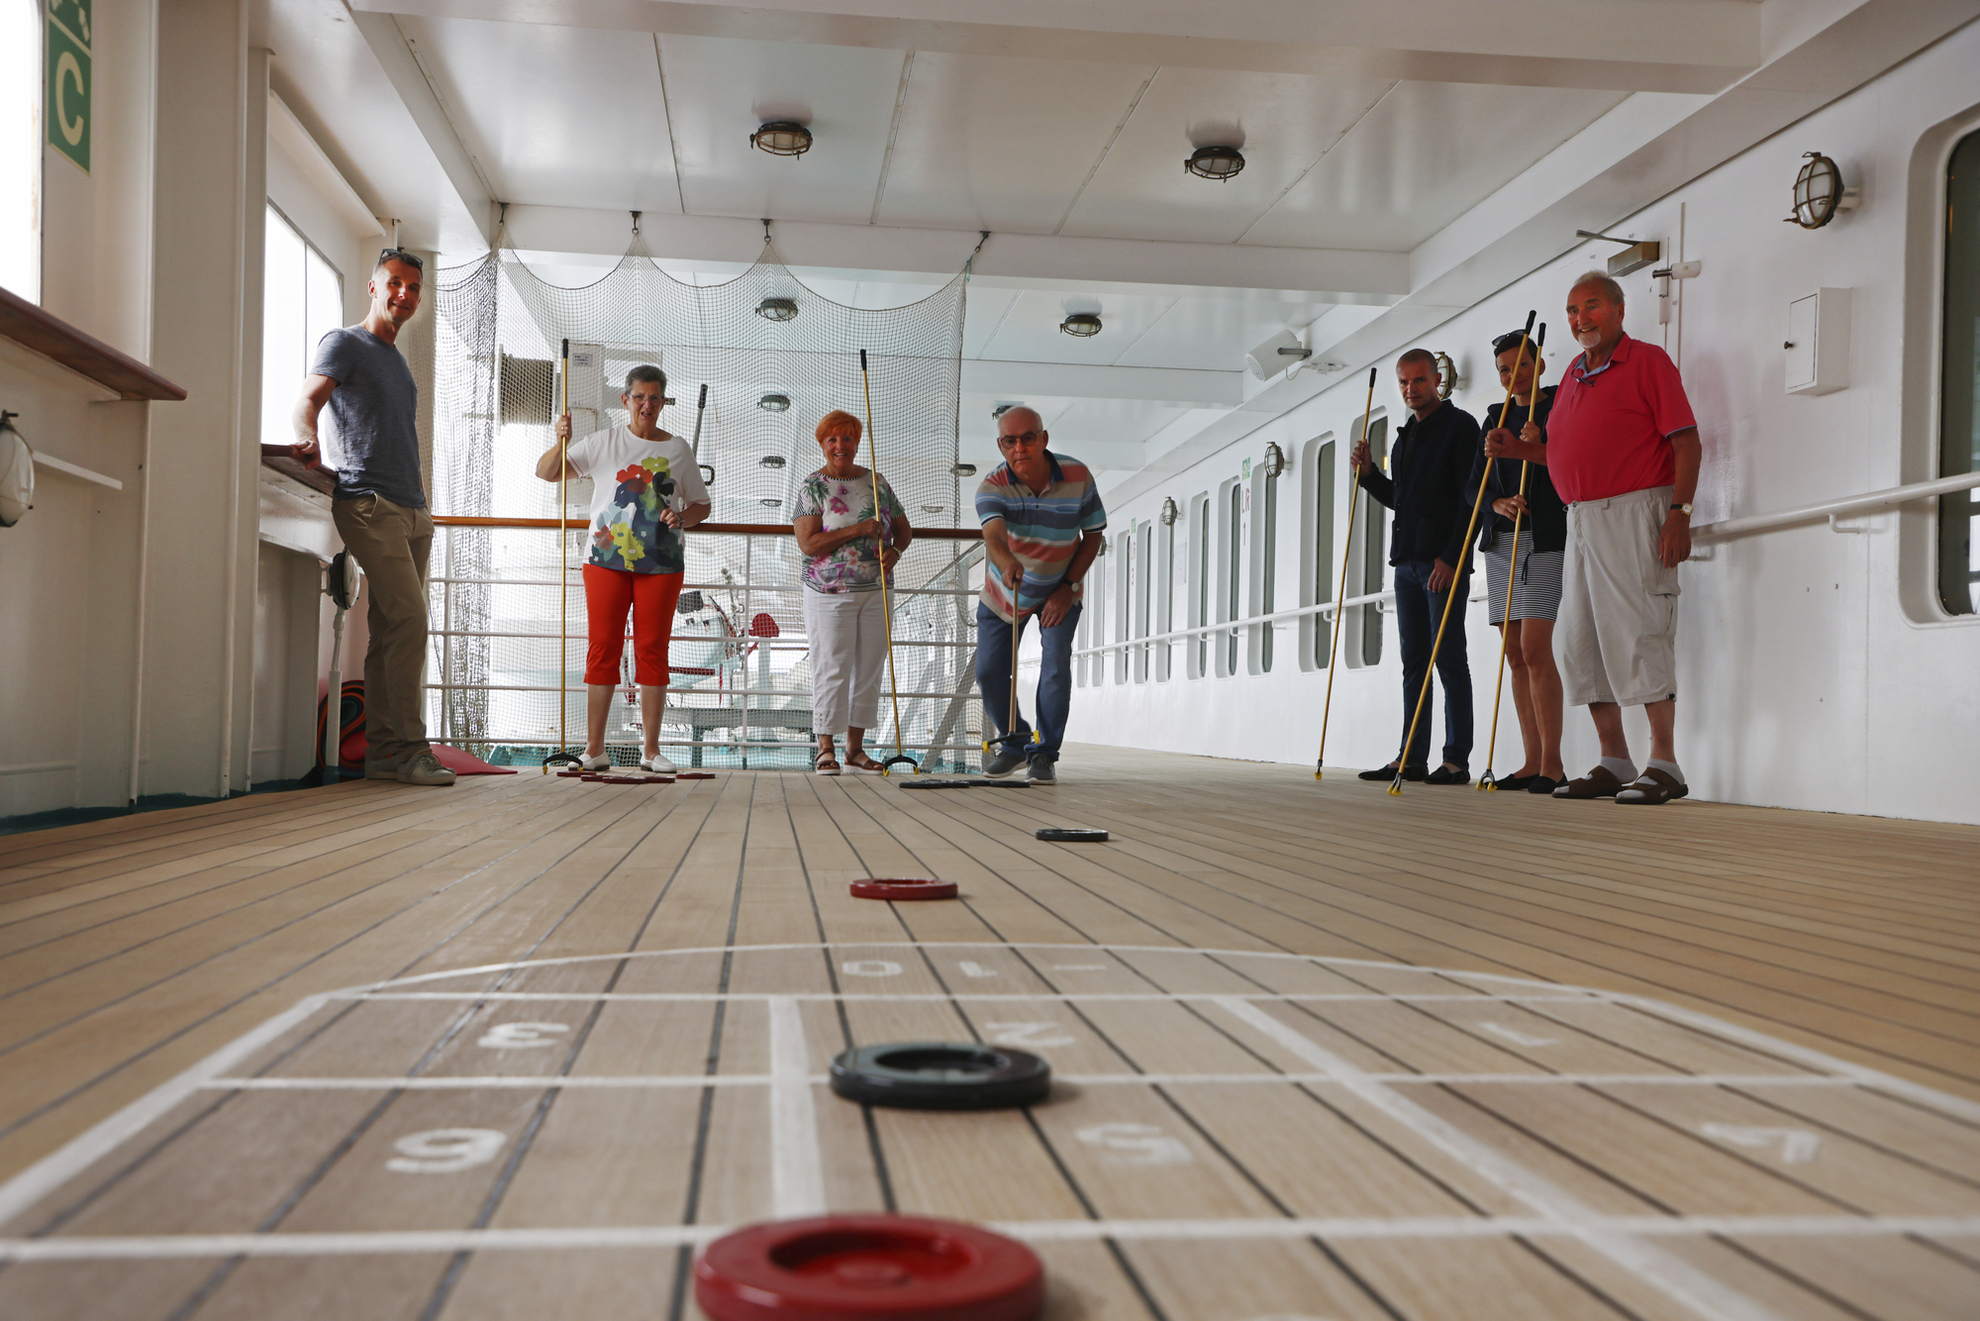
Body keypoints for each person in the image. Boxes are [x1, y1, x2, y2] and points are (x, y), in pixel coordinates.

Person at [1485, 273, 1701, 805]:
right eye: (1572, 310)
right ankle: (1613, 758)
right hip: (1578, 518)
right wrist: (1519, 451)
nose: (1581, 318)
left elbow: (1687, 442)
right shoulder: (1576, 375)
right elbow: (1562, 453)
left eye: (1591, 306)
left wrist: (1680, 512)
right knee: (1581, 641)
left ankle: (1665, 763)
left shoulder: (1648, 362)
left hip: (1636, 511)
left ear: (1619, 309)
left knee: (1639, 632)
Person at [294, 248, 453, 786]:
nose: (404, 294)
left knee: (392, 629)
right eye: (395, 284)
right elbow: (308, 401)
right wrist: (305, 436)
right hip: (367, 503)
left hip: (413, 509)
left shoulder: (398, 361)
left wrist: (421, 508)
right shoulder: (345, 343)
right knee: (411, 618)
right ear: (373, 286)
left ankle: (386, 754)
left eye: (413, 288)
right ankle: (410, 748)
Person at [537, 364, 710, 773]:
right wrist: (559, 440)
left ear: (664, 402)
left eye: (655, 398)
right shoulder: (603, 442)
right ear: (626, 400)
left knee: (652, 650)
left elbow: (701, 504)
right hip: (605, 561)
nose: (647, 405)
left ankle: (651, 751)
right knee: (603, 649)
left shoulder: (679, 450)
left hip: (662, 563)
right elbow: (547, 473)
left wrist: (683, 518)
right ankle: (594, 749)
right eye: (639, 397)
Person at [1351, 349, 1482, 785]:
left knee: (1448, 658)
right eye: (1404, 383)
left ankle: (1456, 760)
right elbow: (1401, 500)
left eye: (1419, 381)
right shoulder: (1405, 436)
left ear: (1437, 380)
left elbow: (1472, 501)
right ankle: (1411, 756)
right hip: (1406, 563)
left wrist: (1451, 558)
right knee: (1414, 663)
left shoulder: (1461, 428)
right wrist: (1369, 474)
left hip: (1440, 563)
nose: (1412, 389)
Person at [974, 407, 1105, 785]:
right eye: (1010, 441)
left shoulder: (1077, 476)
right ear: (1001, 446)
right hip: (1004, 593)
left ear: (1043, 439)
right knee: (989, 672)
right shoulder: (991, 486)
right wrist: (1007, 561)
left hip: (1059, 591)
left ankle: (1044, 754)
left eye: (1028, 438)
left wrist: (1067, 588)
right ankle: (1015, 743)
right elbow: (994, 538)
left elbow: (1093, 535)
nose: (1020, 448)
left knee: (1054, 670)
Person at [1471, 329, 1567, 794]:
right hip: (1501, 544)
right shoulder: (1494, 417)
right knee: (1513, 654)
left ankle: (1553, 763)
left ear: (1540, 365)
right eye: (1505, 370)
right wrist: (1497, 503)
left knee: (1534, 649)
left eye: (1522, 366)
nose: (1514, 376)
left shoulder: (1560, 407)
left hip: (1546, 538)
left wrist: (1538, 442)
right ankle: (1531, 760)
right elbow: (1473, 487)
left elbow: (1571, 465)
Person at [792, 409, 913, 775]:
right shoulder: (813, 485)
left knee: (869, 668)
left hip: (877, 588)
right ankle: (825, 747)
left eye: (847, 438)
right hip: (829, 590)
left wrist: (895, 551)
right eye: (832, 439)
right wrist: (858, 530)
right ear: (822, 445)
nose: (840, 446)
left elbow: (904, 529)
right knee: (832, 665)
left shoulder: (877, 482)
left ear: (857, 443)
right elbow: (809, 543)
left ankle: (854, 750)